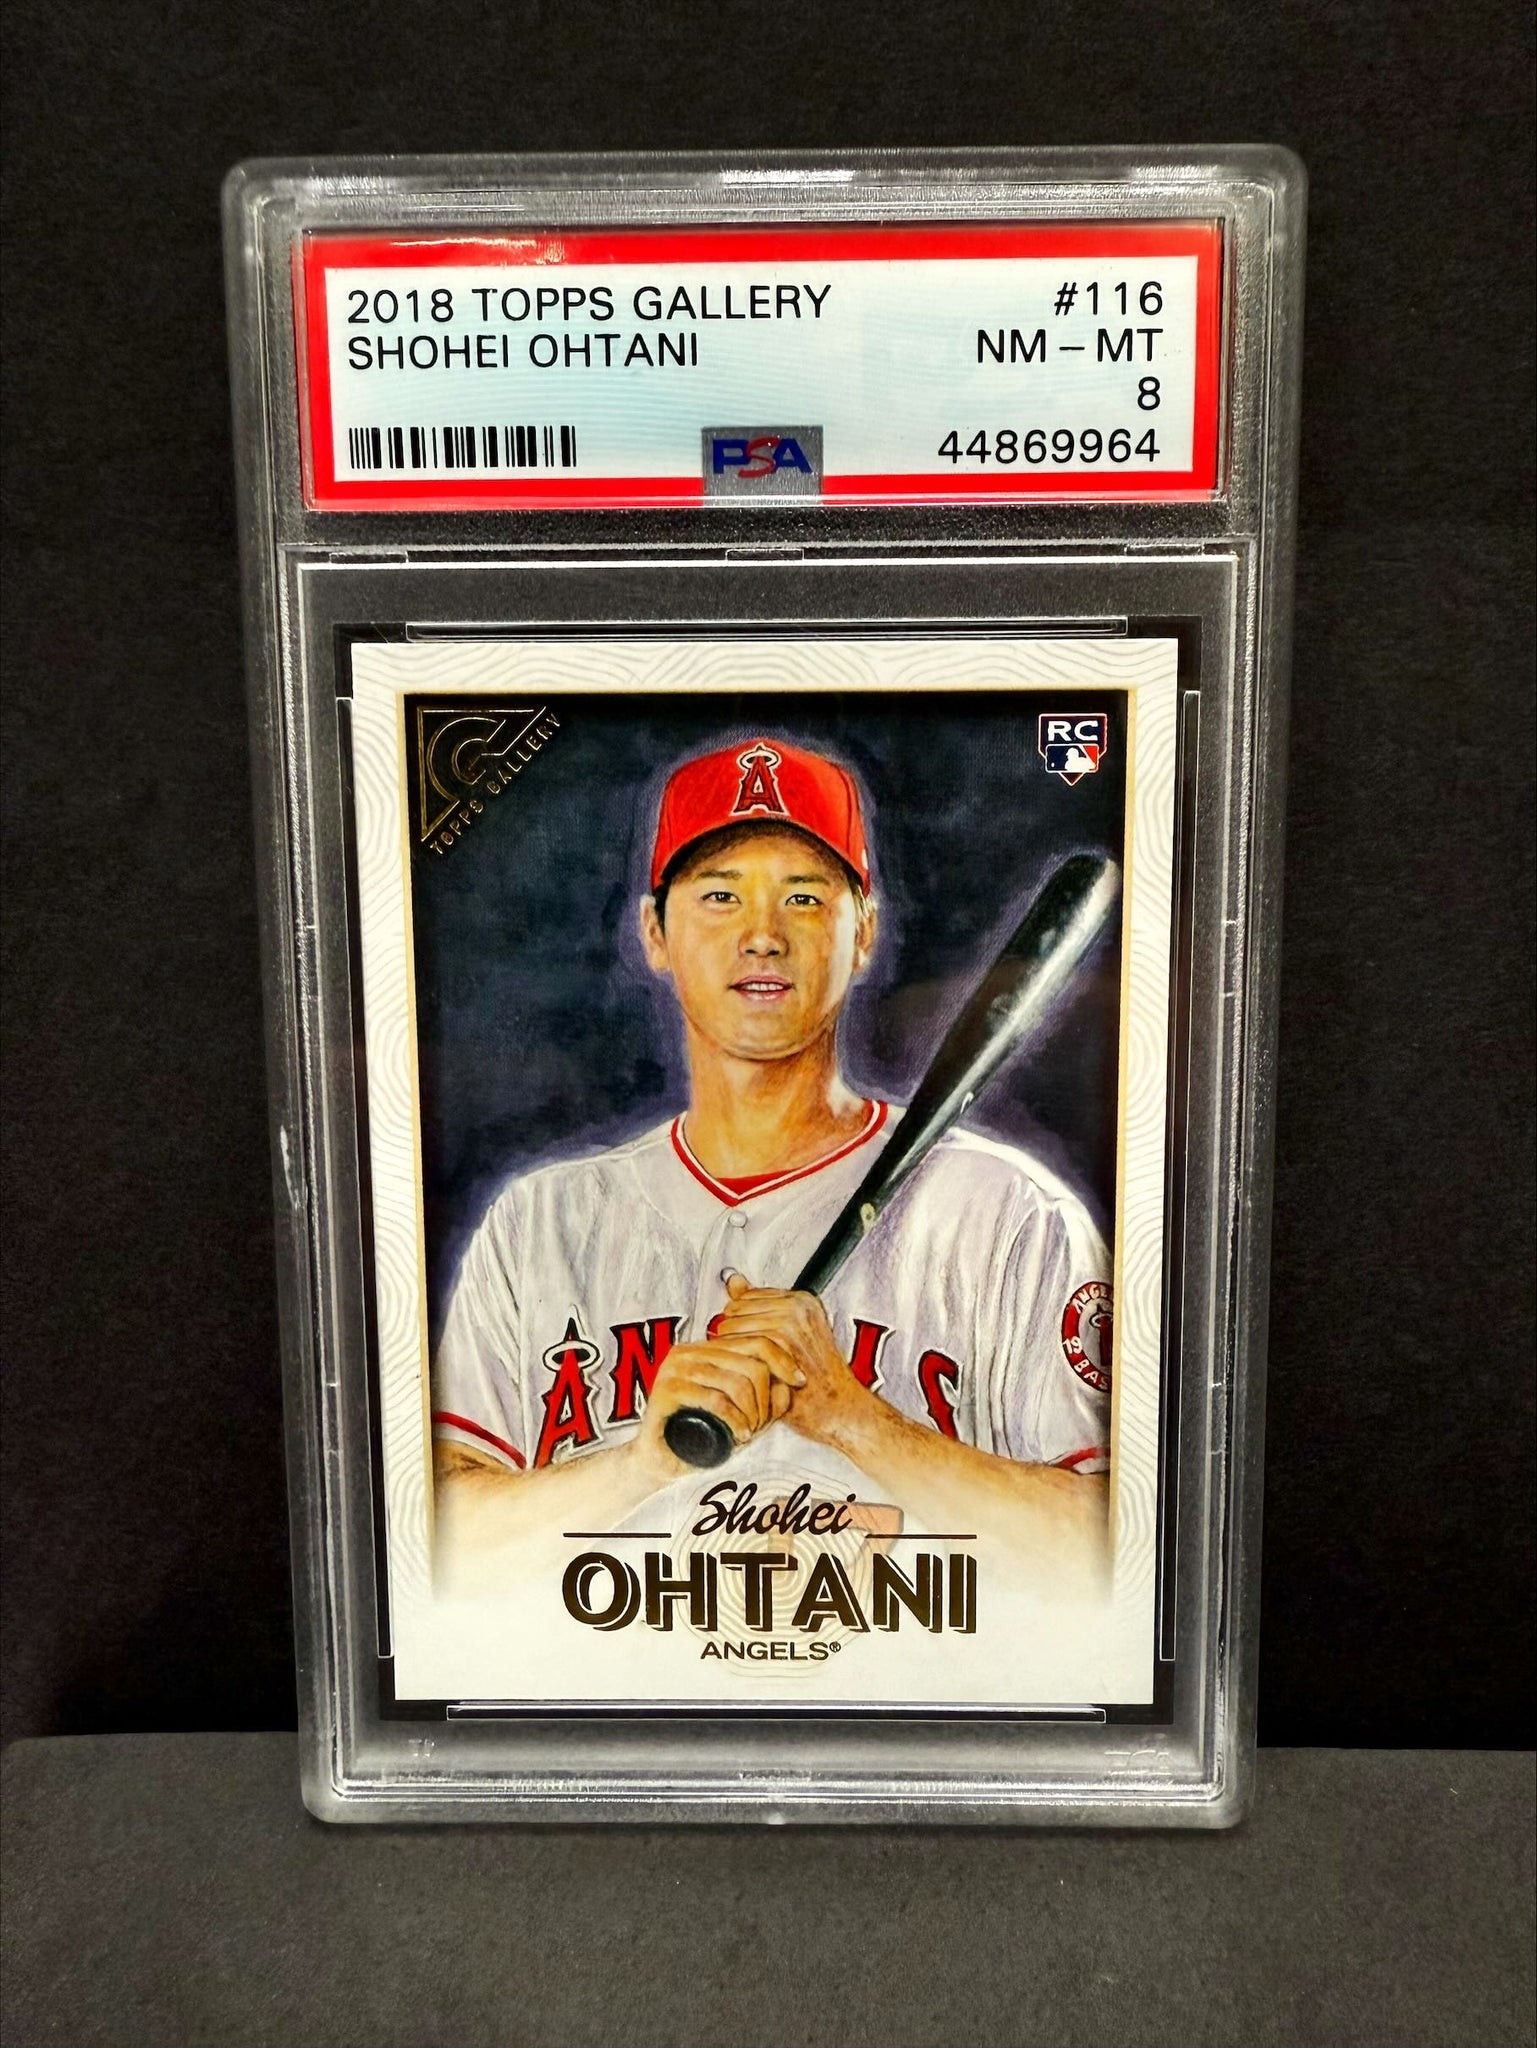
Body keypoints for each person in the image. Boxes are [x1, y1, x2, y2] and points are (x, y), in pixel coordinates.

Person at [431, 737, 1112, 1588]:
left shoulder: (1008, 1214)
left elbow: (1107, 1555)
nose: (762, 936)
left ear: (863, 933)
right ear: (654, 933)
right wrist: (639, 1464)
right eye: (720, 895)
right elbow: (439, 1547)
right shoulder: (540, 1223)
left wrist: (854, 1419)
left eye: (803, 897)